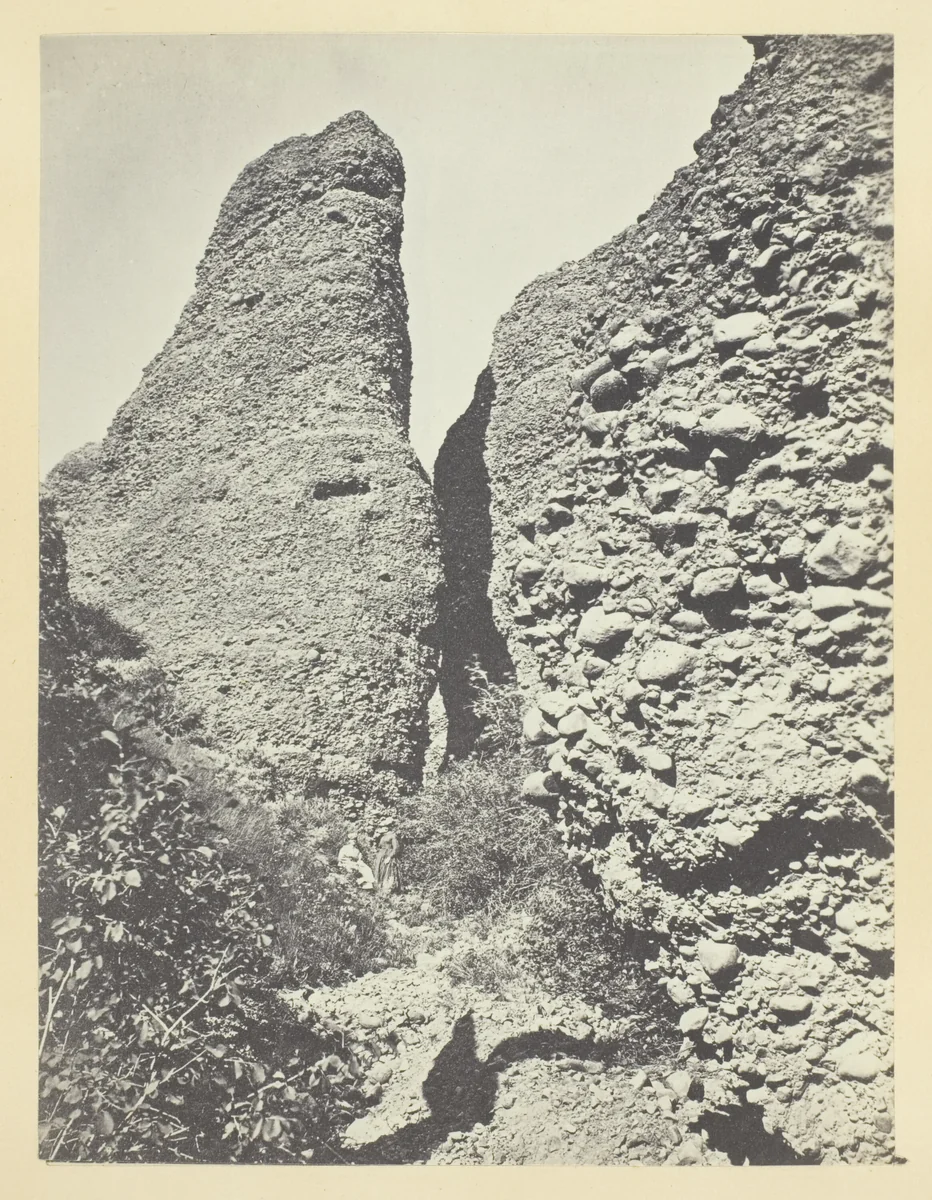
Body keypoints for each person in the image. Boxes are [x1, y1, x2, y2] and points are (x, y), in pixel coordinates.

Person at [373, 830, 401, 895]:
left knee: (388, 871)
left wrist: (389, 857)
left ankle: (388, 888)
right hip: (381, 856)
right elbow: (380, 846)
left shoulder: (393, 836)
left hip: (388, 855)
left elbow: (396, 848)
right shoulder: (383, 837)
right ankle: (380, 888)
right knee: (380, 871)